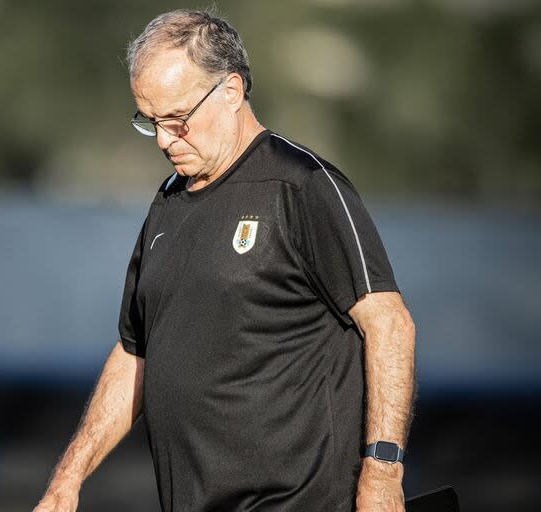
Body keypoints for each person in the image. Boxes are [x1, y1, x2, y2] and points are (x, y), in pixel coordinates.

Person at [35, 9, 415, 512]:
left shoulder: (301, 185)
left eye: (178, 120)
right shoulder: (166, 204)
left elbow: (390, 324)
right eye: (151, 124)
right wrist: (68, 479)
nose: (166, 141)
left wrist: (382, 474)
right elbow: (135, 354)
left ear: (231, 92)